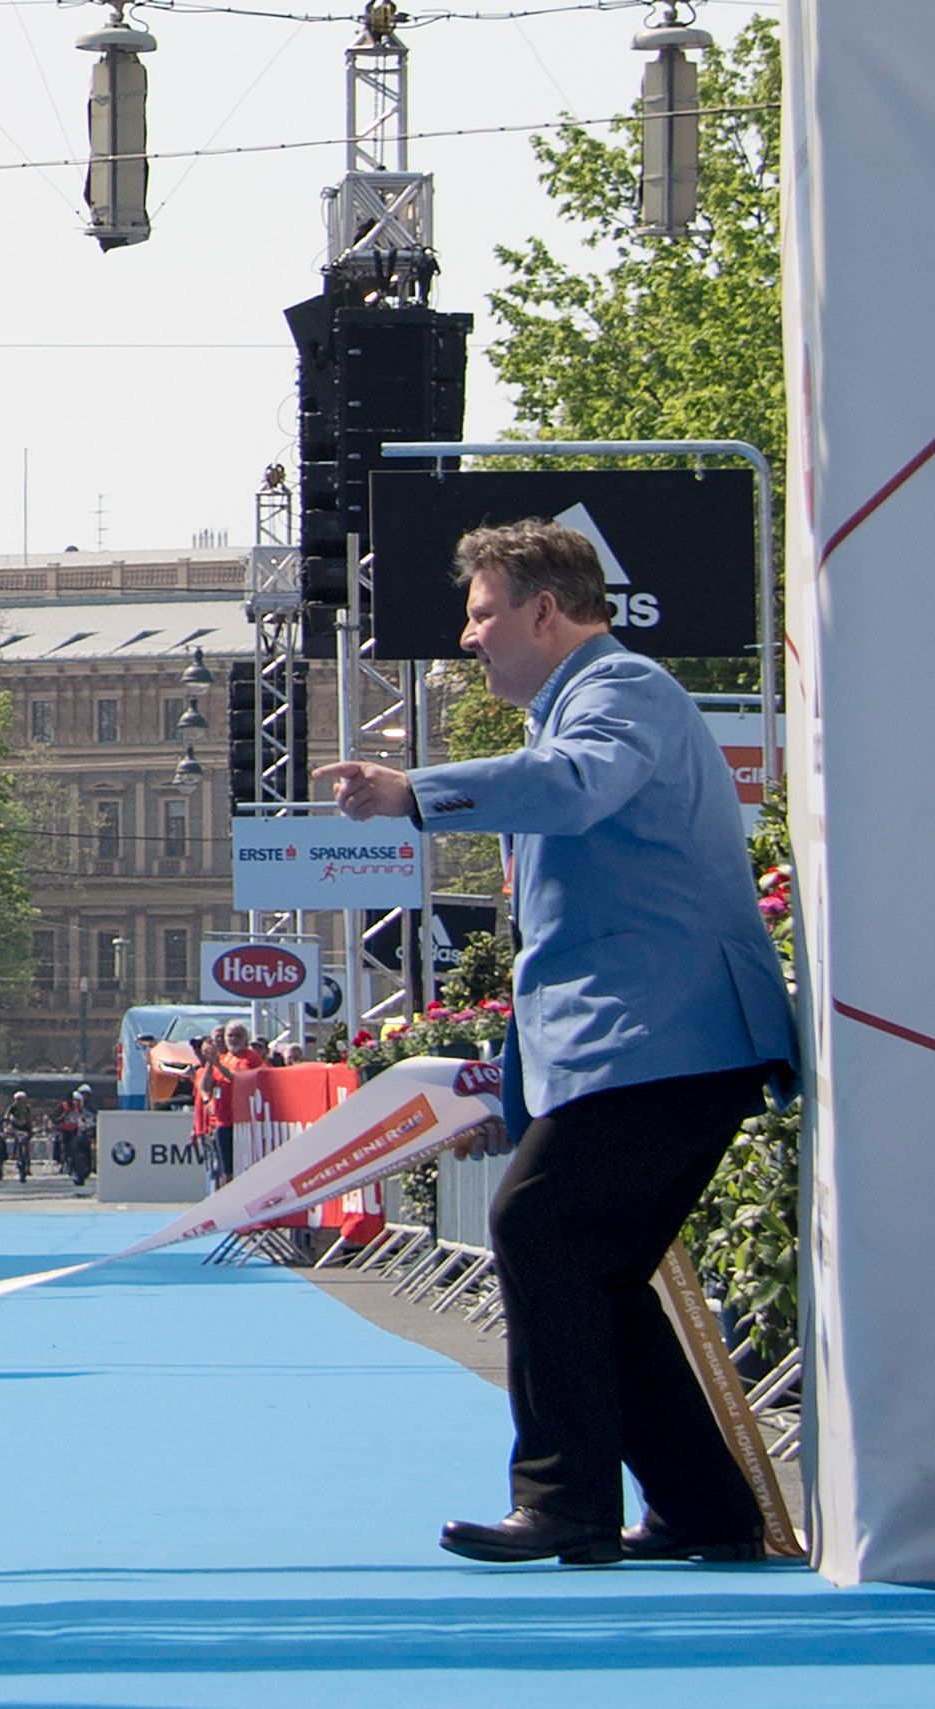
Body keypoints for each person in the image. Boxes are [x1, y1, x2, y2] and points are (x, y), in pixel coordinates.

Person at [317, 518, 793, 1567]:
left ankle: (565, 1501)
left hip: (672, 1036)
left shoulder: (620, 693)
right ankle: (704, 1509)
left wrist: (416, 795)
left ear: (545, 610)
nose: (468, 635)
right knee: (593, 1262)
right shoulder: (580, 707)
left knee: (540, 1229)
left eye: (484, 612)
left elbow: (581, 787)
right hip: (651, 1042)